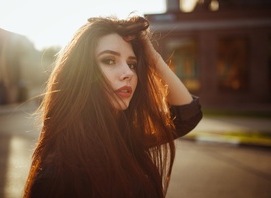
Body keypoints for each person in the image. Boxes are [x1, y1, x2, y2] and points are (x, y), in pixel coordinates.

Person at [23, 15, 202, 198]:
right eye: (109, 60)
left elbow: (187, 114)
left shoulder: (126, 136)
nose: (128, 73)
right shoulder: (58, 173)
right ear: (81, 73)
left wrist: (153, 58)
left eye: (132, 64)